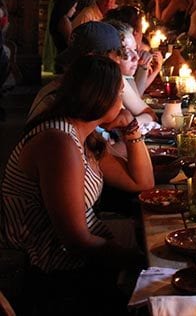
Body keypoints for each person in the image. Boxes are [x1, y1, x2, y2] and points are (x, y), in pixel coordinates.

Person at [0, 55, 153, 312]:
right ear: (100, 97)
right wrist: (137, 260)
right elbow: (76, 239)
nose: (122, 101)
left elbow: (142, 182)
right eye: (119, 93)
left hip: (78, 262)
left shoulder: (84, 133)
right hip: (54, 277)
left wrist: (131, 129)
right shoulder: (59, 143)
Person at [49, 0, 78, 68]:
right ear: (67, 7)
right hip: (65, 59)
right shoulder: (64, 20)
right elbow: (70, 41)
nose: (74, 10)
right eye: (73, 7)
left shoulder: (57, 18)